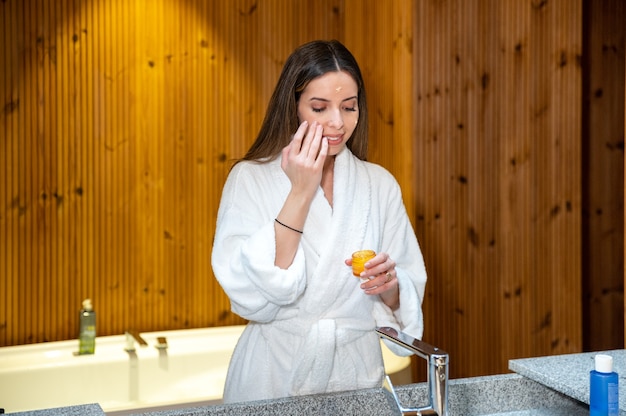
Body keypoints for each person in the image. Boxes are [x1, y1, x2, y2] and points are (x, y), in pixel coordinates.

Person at [211, 39, 427, 403]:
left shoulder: (379, 184)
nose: (338, 123)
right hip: (273, 377)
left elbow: (404, 296)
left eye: (349, 107)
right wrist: (300, 191)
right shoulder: (250, 179)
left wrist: (389, 285)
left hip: (355, 377)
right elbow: (249, 296)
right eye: (319, 107)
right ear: (293, 106)